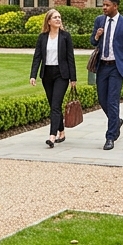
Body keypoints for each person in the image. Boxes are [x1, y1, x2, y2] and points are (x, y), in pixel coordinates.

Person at [91, 0, 123, 150]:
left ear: (115, 6)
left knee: (112, 101)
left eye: (107, 5)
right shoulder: (99, 20)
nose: (104, 7)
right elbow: (92, 42)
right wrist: (97, 36)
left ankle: (110, 137)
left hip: (117, 67)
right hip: (102, 66)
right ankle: (116, 121)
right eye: (103, 5)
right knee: (102, 99)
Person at [29, 8, 77, 147]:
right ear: (49, 21)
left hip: (61, 75)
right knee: (53, 105)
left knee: (55, 105)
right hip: (47, 74)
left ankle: (52, 136)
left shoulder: (65, 36)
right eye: (55, 17)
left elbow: (70, 58)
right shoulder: (42, 37)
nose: (58, 19)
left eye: (59, 17)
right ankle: (61, 131)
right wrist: (33, 75)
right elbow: (37, 57)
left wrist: (73, 78)